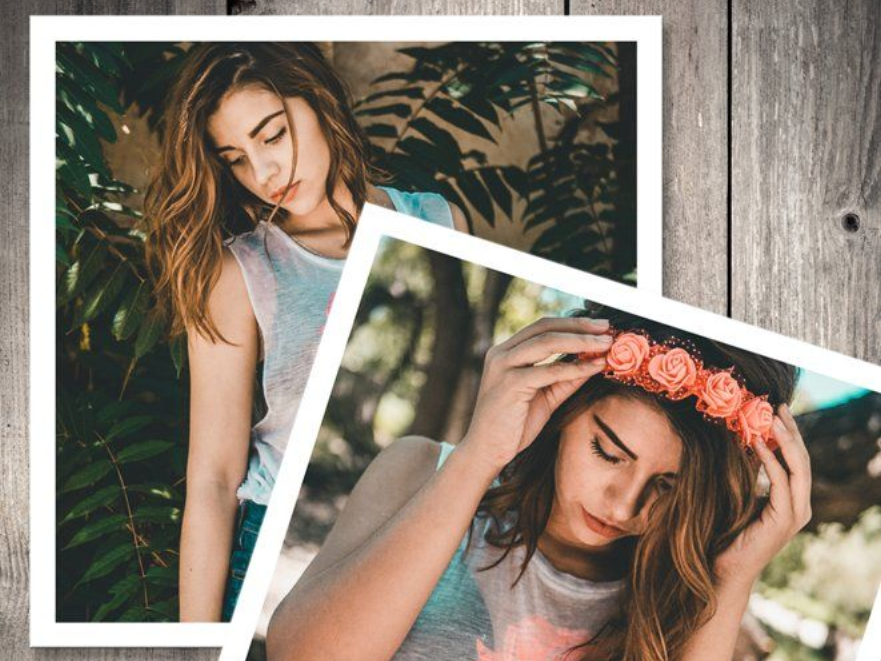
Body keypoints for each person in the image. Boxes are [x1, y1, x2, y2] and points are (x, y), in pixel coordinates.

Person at [266, 308, 812, 661]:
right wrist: (479, 456)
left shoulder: (693, 606)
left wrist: (734, 578)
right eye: (608, 452)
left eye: (669, 488)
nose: (624, 505)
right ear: (565, 406)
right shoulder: (420, 472)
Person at [142, 42, 468, 622]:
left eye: (271, 135)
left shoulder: (440, 221)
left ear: (318, 101)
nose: (262, 173)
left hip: (414, 543)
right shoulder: (239, 273)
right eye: (235, 158)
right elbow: (215, 479)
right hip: (274, 555)